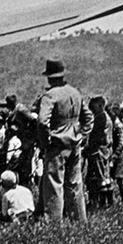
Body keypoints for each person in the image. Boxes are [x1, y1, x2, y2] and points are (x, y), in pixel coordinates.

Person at [35, 59, 86, 223]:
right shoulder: (75, 92)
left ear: (49, 77)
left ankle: (54, 222)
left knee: (54, 185)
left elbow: (42, 122)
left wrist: (45, 142)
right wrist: (82, 134)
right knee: (75, 183)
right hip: (74, 143)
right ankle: (79, 219)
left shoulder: (50, 95)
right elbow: (88, 117)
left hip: (57, 145)